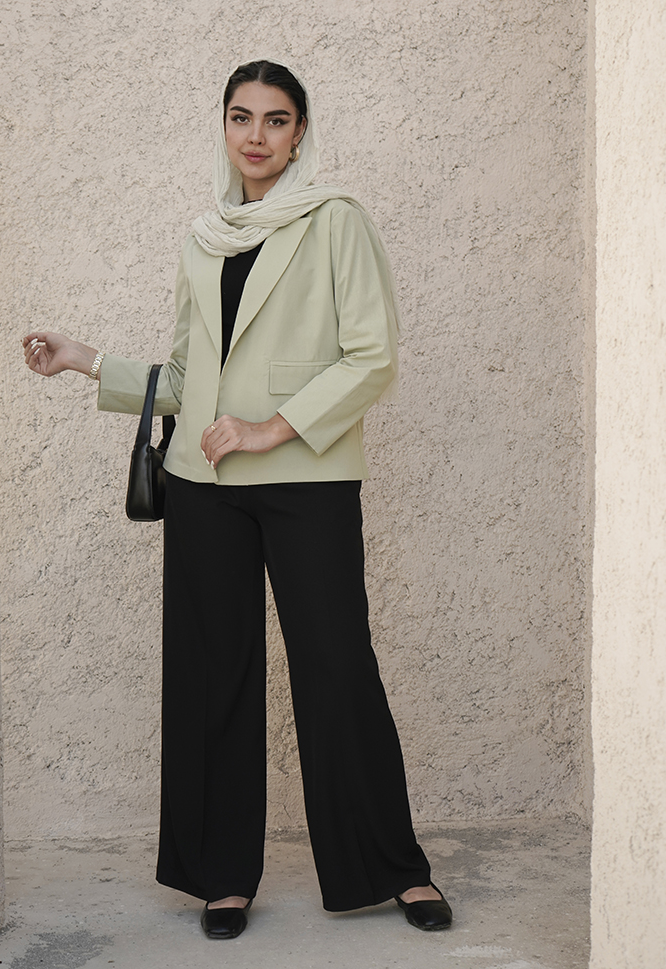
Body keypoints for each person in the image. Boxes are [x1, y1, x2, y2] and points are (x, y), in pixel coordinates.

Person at [22, 59, 452, 941]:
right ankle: (222, 877)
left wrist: (269, 429)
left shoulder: (336, 220)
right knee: (211, 673)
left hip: (307, 479)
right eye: (241, 117)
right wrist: (86, 361)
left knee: (337, 667)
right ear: (222, 126)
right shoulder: (204, 237)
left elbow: (372, 357)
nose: (256, 136)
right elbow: (189, 377)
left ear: (301, 133)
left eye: (276, 119)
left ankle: (395, 868)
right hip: (203, 484)